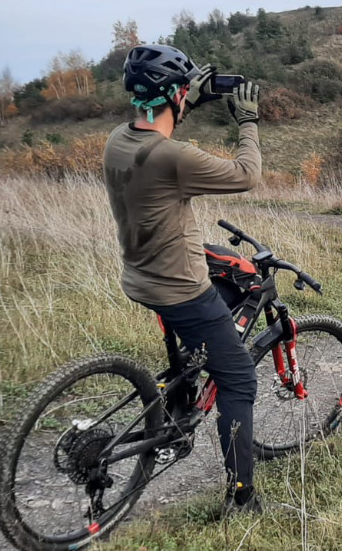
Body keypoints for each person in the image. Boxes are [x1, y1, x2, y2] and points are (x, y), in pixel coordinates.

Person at [102, 44, 263, 515]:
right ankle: (242, 498)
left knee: (223, 271)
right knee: (240, 381)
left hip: (141, 275)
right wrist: (247, 121)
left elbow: (157, 121)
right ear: (174, 94)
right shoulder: (173, 157)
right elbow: (246, 175)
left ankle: (182, 393)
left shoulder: (118, 139)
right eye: (183, 91)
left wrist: (186, 99)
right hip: (180, 287)